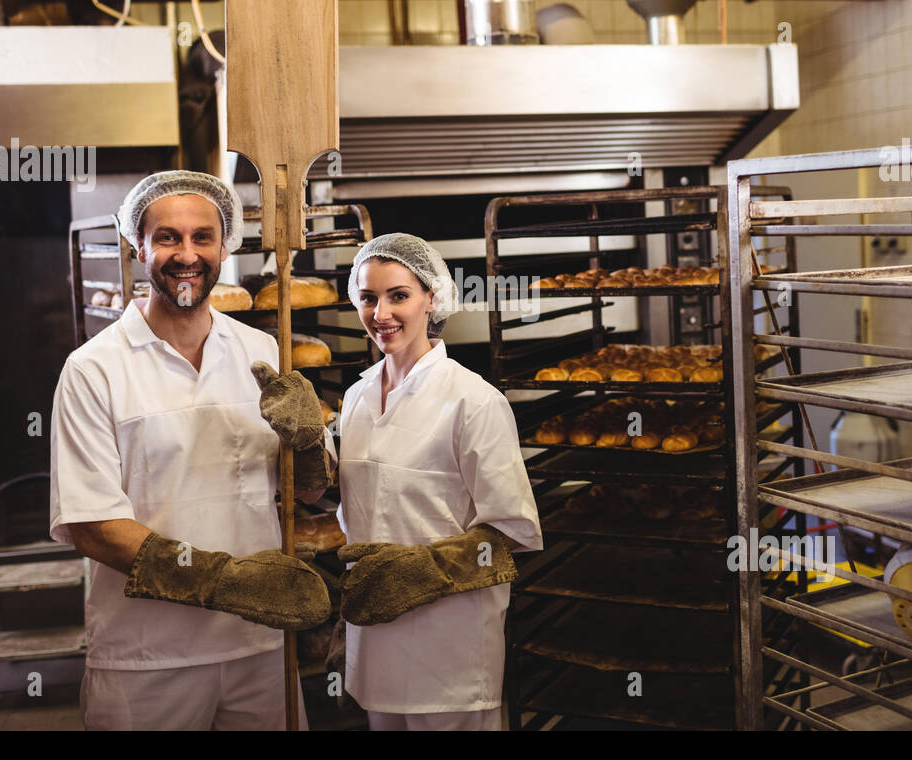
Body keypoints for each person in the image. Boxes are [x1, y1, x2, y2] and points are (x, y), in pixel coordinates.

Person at [49, 169, 334, 730]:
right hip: (148, 658)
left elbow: (307, 491)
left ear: (224, 246)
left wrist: (307, 445)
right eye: (167, 238)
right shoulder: (93, 369)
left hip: (259, 646)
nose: (187, 254)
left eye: (202, 237)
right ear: (138, 247)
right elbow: (91, 524)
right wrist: (226, 581)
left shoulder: (260, 349)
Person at [335, 233, 543, 731]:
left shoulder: (473, 400)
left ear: (433, 298)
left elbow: (512, 528)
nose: (380, 313)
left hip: (450, 650)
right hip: (375, 640)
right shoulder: (356, 398)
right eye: (368, 297)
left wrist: (421, 571)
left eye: (398, 296)